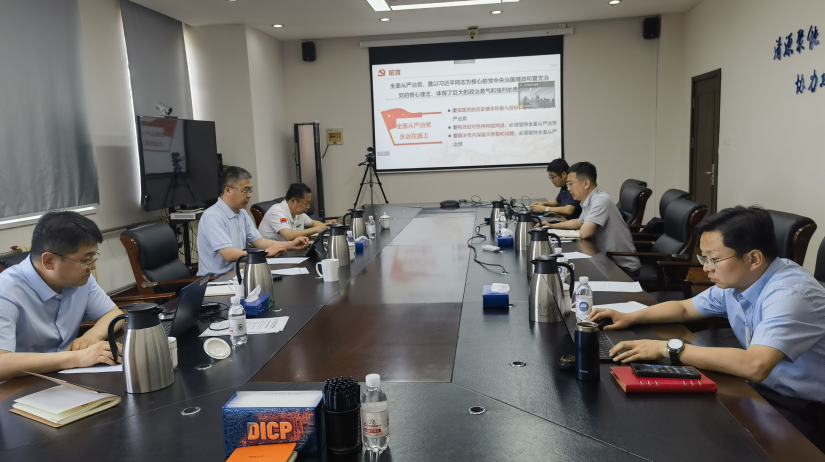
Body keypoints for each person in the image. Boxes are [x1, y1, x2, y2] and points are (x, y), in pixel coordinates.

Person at [590, 206, 825, 450]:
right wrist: (631, 317)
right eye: (704, 258)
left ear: (753, 258)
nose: (706, 268)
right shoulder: (740, 281)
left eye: (713, 259)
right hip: (763, 389)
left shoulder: (790, 294)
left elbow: (754, 365)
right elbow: (684, 309)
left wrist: (667, 348)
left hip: (806, 408)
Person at [0, 212, 126, 381]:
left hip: (65, 376)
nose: (92, 266)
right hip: (20, 385)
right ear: (49, 261)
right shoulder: (6, 292)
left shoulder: (80, 279)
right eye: (86, 259)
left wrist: (91, 337)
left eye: (93, 256)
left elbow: (114, 314)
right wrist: (77, 357)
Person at [197, 167, 309, 276]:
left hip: (240, 271)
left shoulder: (242, 213)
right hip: (217, 279)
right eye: (245, 190)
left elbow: (260, 242)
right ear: (228, 190)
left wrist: (290, 245)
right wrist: (265, 253)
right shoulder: (213, 216)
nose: (249, 195)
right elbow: (229, 255)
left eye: (250, 190)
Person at [542, 161, 640, 276]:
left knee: (573, 273)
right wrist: (552, 226)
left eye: (570, 184)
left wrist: (561, 230)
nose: (568, 189)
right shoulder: (589, 200)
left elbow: (584, 233)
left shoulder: (601, 200)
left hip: (622, 266)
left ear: (586, 183)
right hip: (605, 259)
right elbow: (578, 222)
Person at [258, 183, 333, 241]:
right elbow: (289, 236)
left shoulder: (298, 213)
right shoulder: (277, 212)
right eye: (306, 203)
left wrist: (327, 226)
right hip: (272, 253)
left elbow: (313, 223)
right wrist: (315, 229)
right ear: (293, 201)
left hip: (289, 249)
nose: (308, 207)